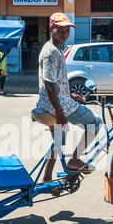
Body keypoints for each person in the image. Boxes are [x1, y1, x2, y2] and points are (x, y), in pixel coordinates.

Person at [37, 12, 102, 183]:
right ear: (51, 28)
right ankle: (74, 160)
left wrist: (70, 95)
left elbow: (56, 83)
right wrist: (59, 110)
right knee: (95, 123)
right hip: (54, 104)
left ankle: (46, 178)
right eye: (60, 30)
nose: (64, 33)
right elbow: (49, 84)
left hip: (53, 100)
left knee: (59, 140)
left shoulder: (56, 49)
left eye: (67, 30)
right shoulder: (51, 52)